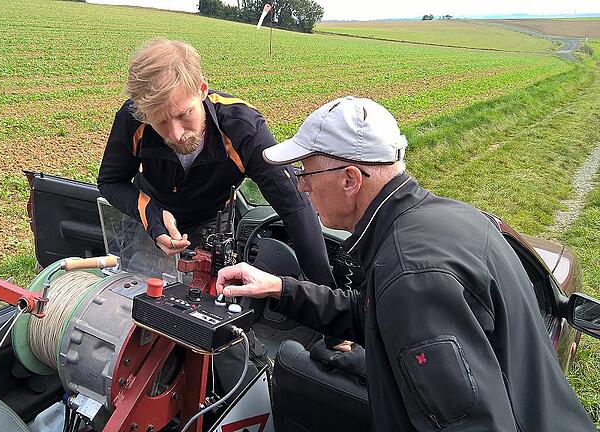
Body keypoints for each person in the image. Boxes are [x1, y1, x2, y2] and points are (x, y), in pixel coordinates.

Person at [216, 96, 595, 431]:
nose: (301, 186)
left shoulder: (412, 277)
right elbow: (372, 311)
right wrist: (278, 287)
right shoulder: (448, 217)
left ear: (350, 180)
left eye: (305, 172)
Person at [96, 38, 333, 287]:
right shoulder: (134, 118)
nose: (176, 134)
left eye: (183, 114)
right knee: (141, 297)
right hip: (149, 223)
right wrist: (152, 217)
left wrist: (326, 296)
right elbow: (111, 181)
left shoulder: (243, 128)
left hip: (213, 225)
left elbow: (294, 207)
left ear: (202, 89)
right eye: (160, 122)